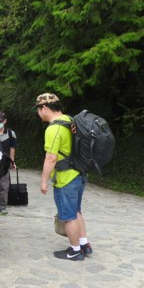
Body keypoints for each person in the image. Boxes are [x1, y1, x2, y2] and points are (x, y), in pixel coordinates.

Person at [35, 92, 93, 261]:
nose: (38, 113)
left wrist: (44, 181)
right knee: (76, 211)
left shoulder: (53, 128)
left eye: (38, 109)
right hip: (79, 174)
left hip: (65, 178)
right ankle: (84, 244)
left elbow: (51, 158)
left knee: (68, 216)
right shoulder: (70, 120)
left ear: (44, 108)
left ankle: (75, 251)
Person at [0, 111, 17, 213]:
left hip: (4, 164)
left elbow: (12, 148)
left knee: (4, 187)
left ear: (5, 121)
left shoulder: (11, 133)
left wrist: (12, 161)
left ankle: (2, 207)